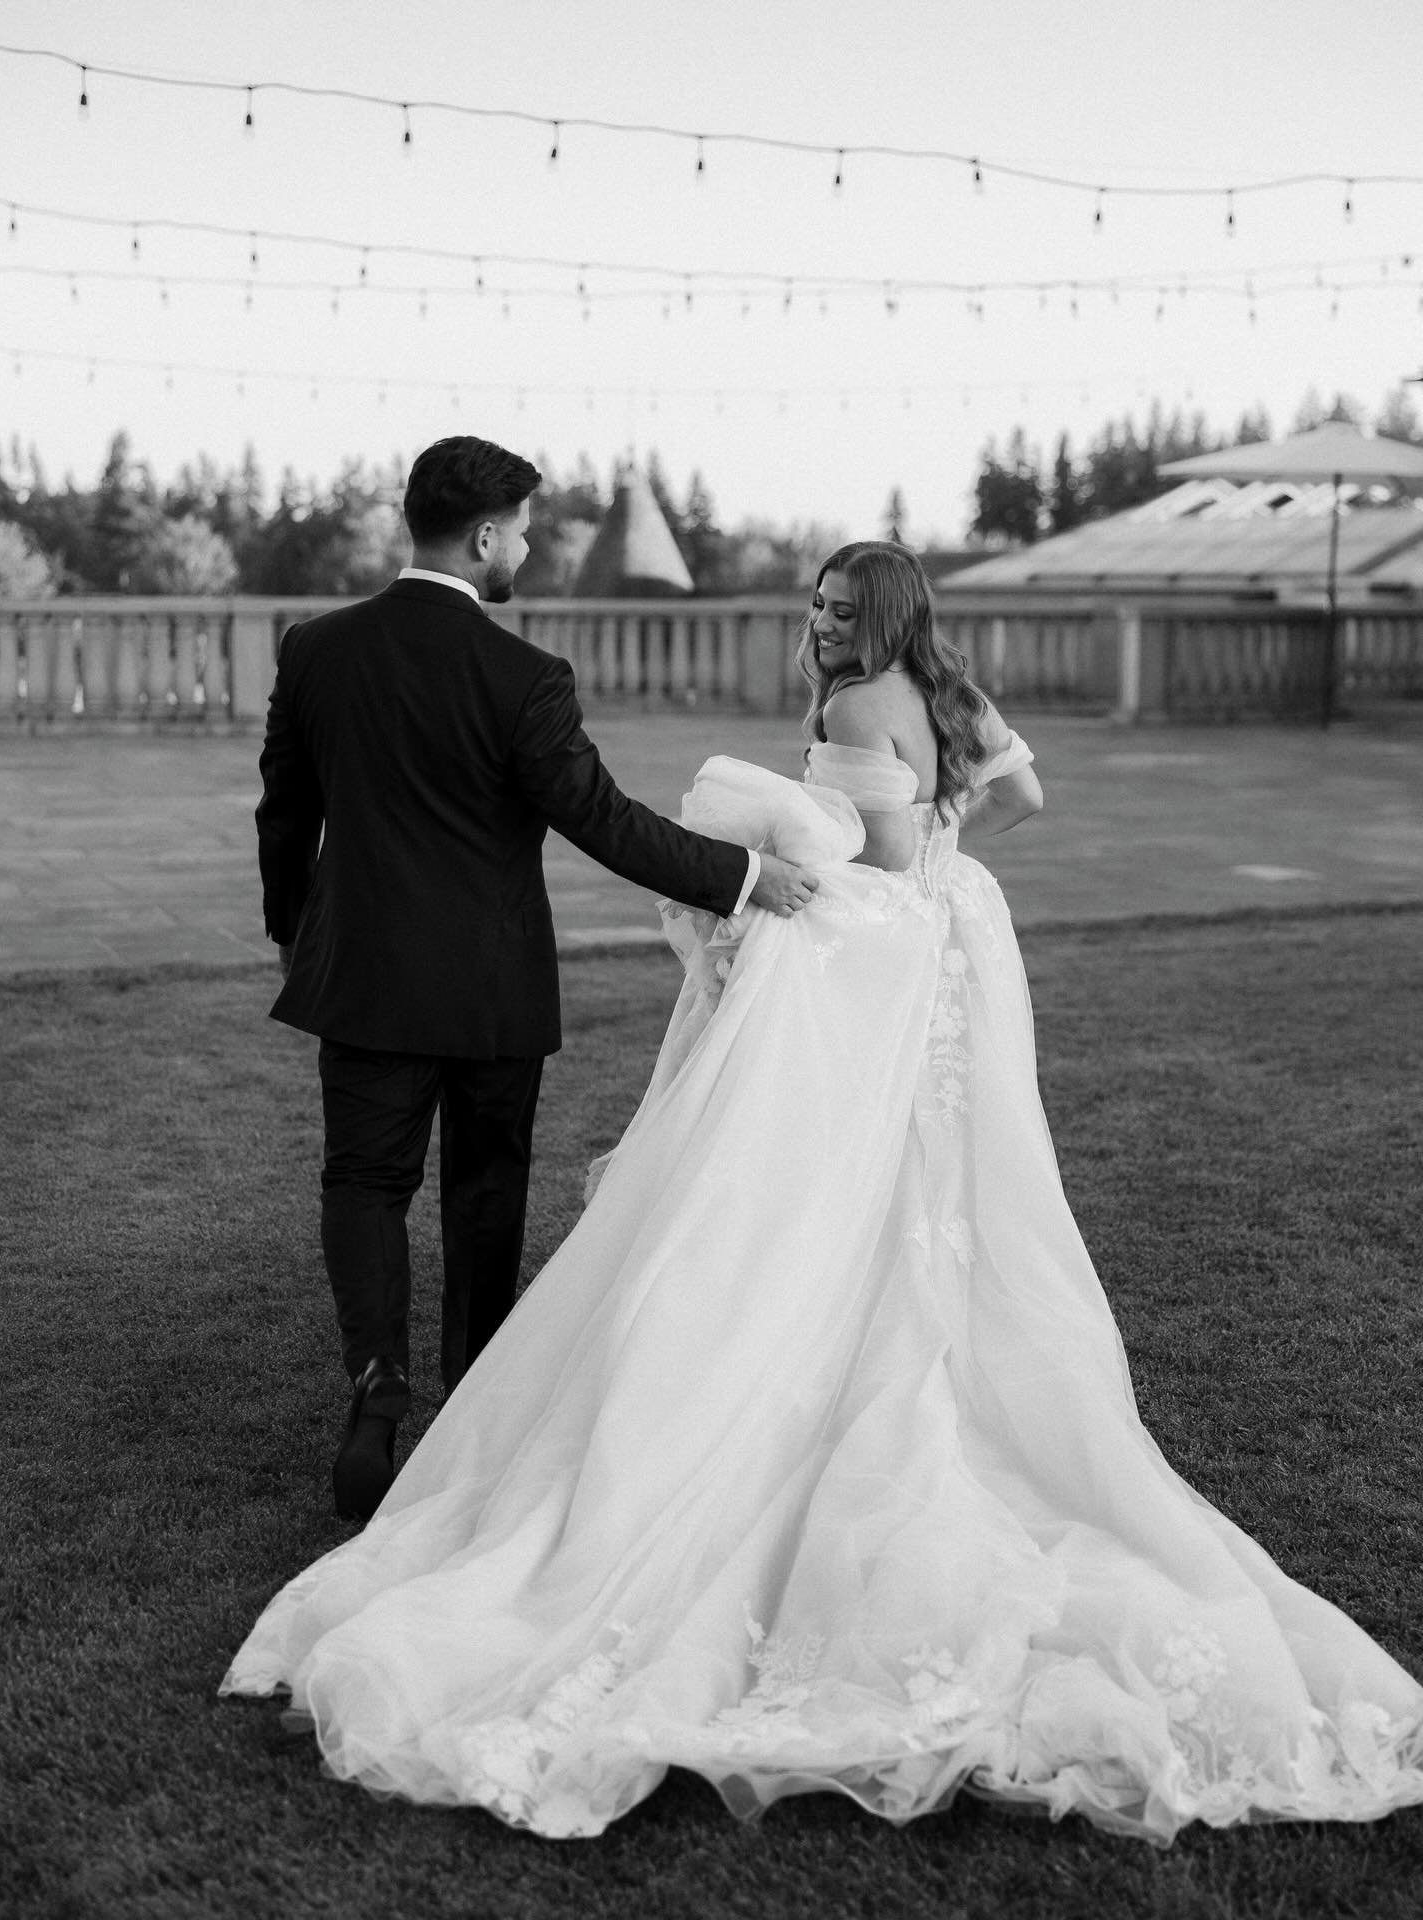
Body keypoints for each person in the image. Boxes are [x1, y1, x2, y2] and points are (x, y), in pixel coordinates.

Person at [225, 541, 1423, 1844]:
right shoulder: (946, 693)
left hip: (877, 962)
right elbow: (1020, 797)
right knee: (918, 1203)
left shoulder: (858, 706)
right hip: (948, 970)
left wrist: (818, 875)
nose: (820, 621)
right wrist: (949, 861)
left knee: (799, 1197)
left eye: (842, 608)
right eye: (817, 603)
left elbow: (889, 855)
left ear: (885, 615)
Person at [254, 434, 818, 1523]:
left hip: (362, 977)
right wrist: (749, 874)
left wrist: (296, 933)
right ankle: (472, 1406)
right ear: (480, 535)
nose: (523, 545)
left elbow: (285, 816)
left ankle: (376, 1388)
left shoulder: (315, 650)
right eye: (518, 529)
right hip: (490, 990)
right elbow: (603, 823)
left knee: (364, 1185)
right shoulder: (523, 677)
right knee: (483, 1189)